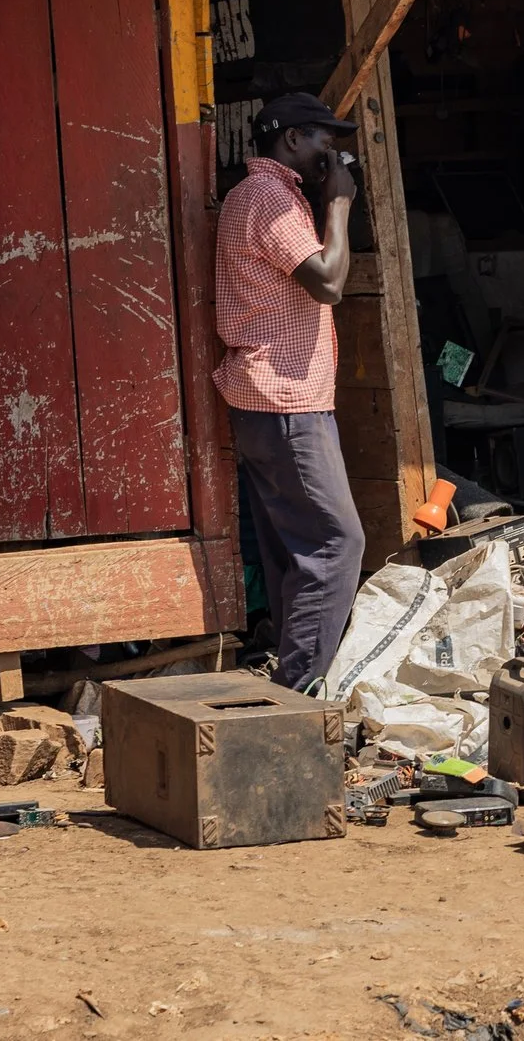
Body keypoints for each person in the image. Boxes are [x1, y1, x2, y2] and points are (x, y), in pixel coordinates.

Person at [217, 90, 361, 691]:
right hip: (285, 402)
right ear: (292, 138)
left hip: (270, 401)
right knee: (337, 544)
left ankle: (286, 674)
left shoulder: (262, 195)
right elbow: (328, 283)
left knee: (290, 548)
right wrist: (340, 205)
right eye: (325, 140)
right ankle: (299, 690)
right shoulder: (269, 198)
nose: (333, 154)